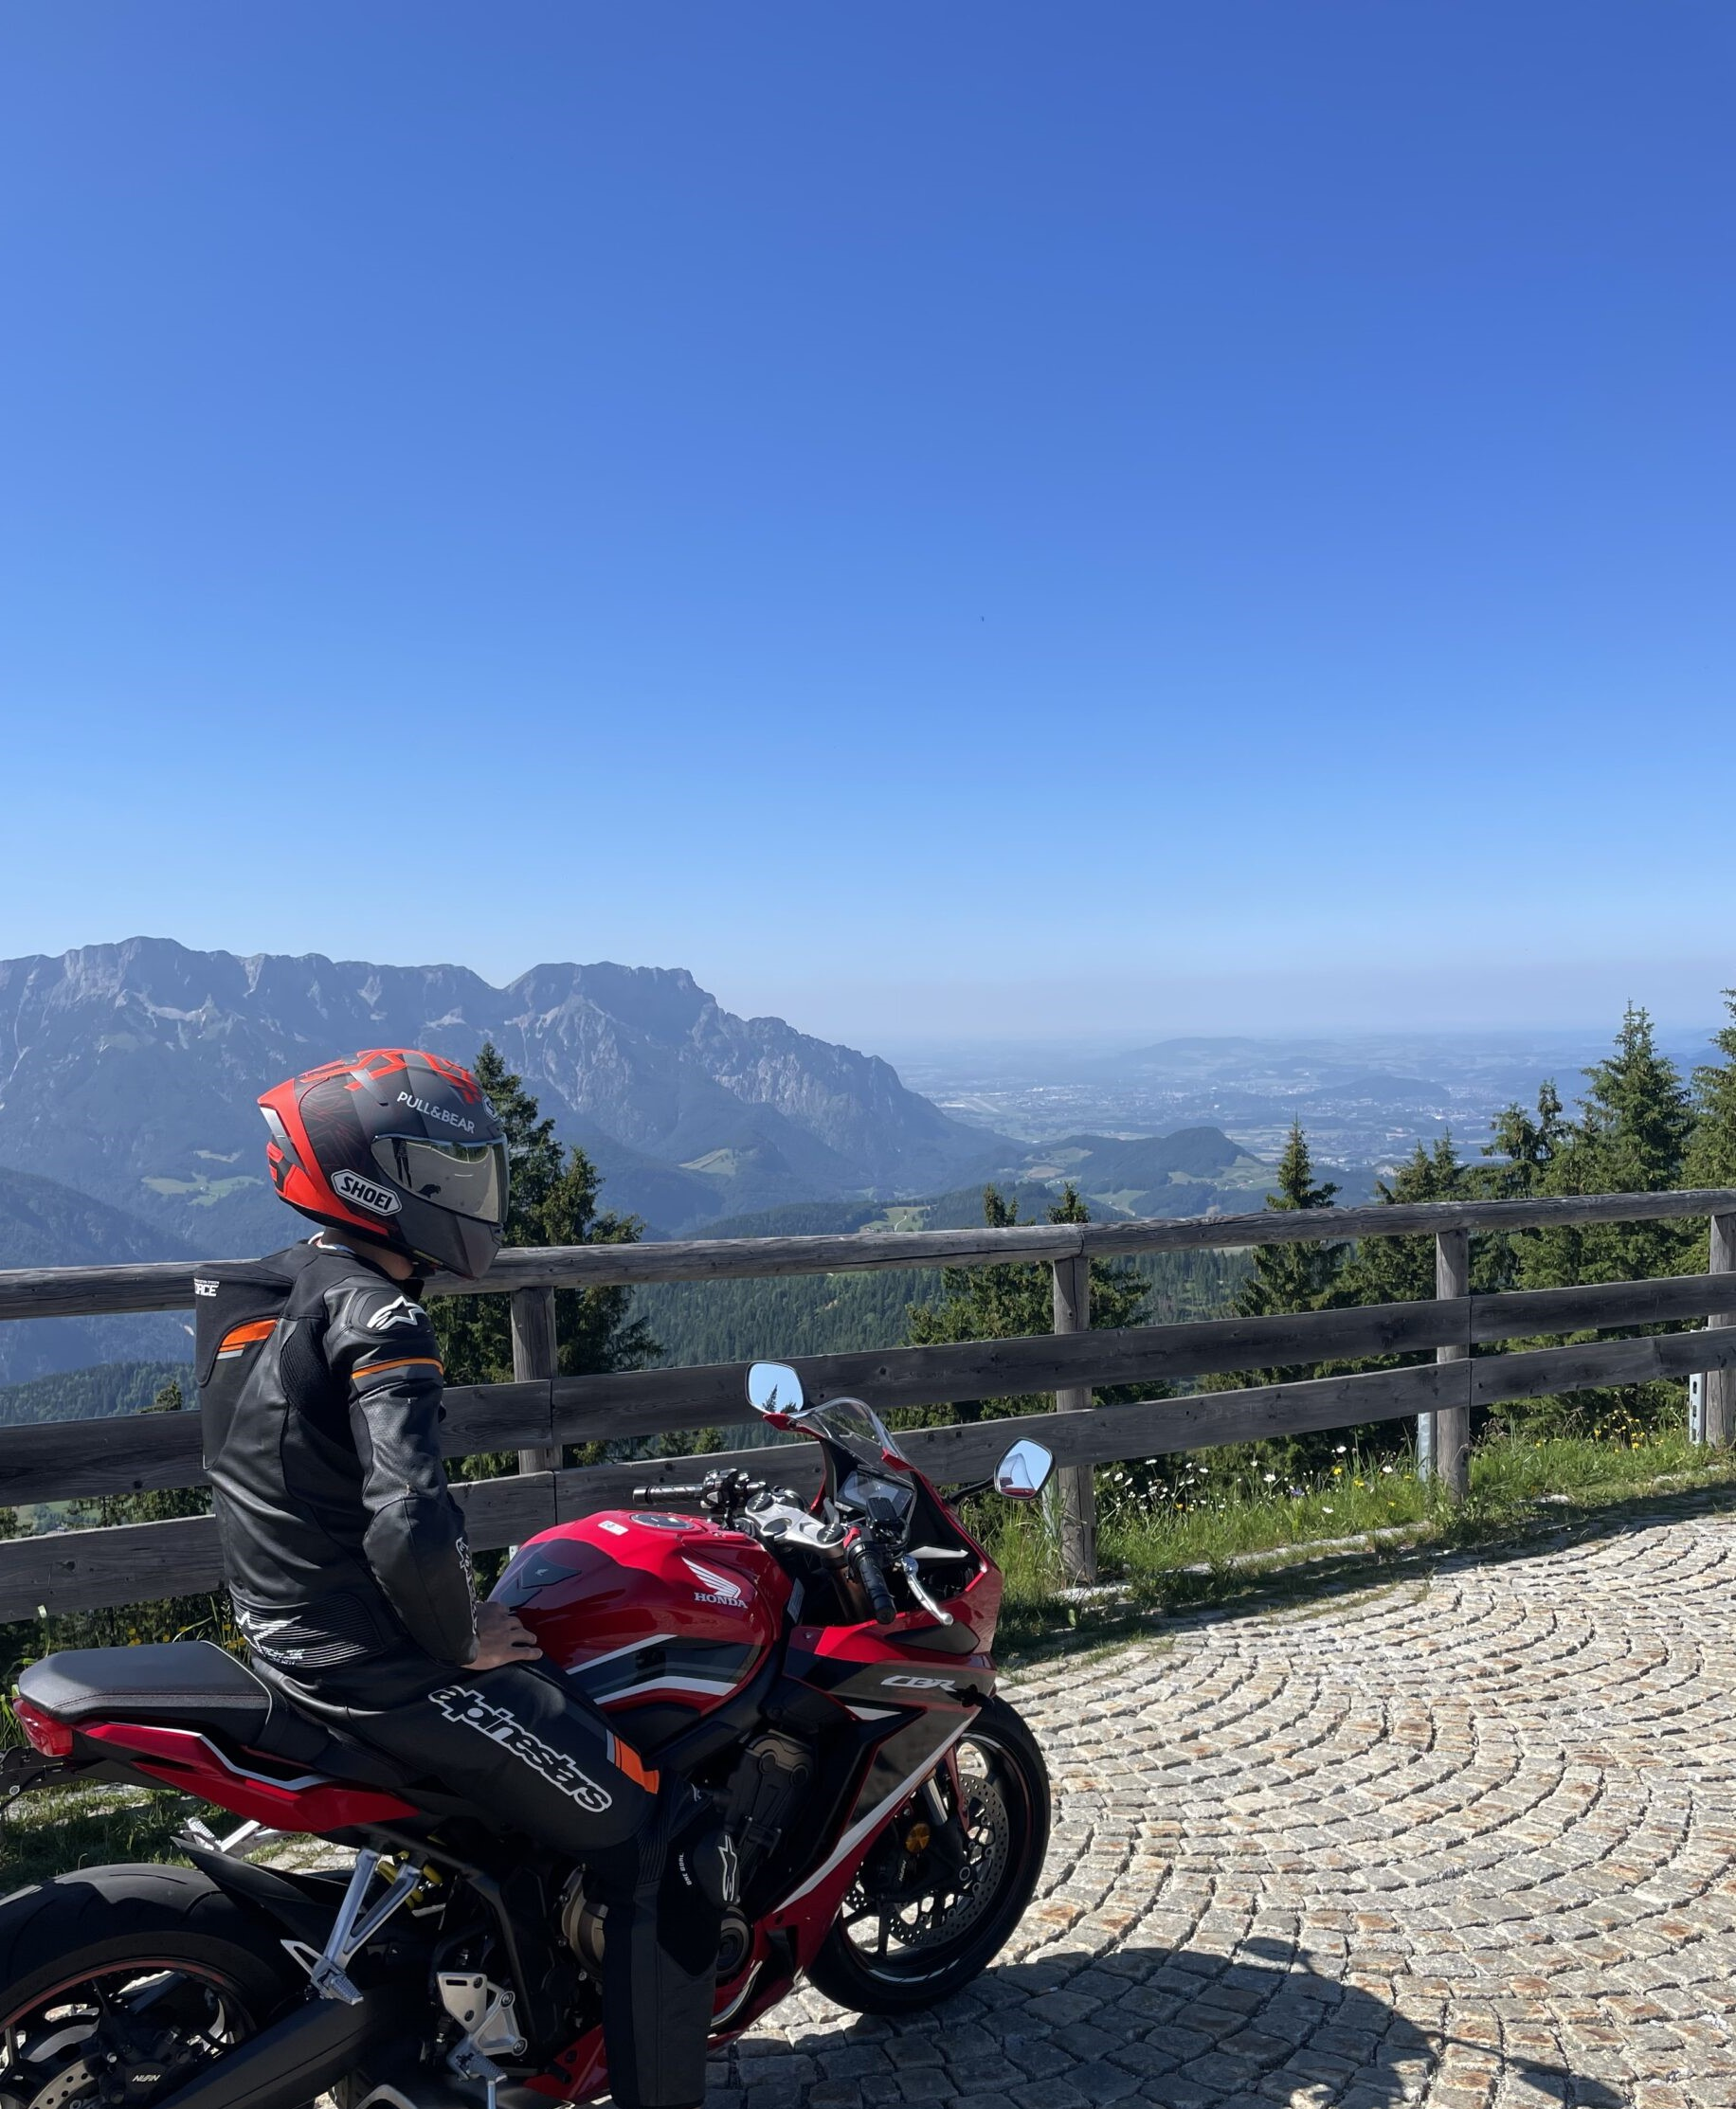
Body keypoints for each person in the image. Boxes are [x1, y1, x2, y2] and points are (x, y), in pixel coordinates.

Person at [194, 1048, 718, 2109]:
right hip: (374, 1661)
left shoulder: (255, 1294)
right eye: (440, 1173)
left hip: (278, 1629)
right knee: (659, 1833)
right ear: (365, 1177)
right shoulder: (380, 1316)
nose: (469, 1196)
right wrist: (457, 1635)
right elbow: (409, 1521)